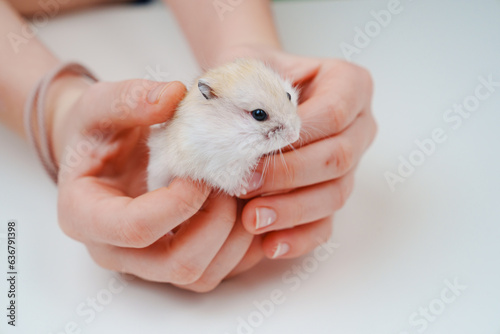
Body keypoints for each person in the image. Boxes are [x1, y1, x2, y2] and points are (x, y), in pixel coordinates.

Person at [0, 0, 376, 292]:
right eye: (260, 115)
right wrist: (58, 112)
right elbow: (214, 167)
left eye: (289, 101)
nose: (291, 129)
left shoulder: (250, 104)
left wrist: (245, 44)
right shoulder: (197, 127)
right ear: (209, 102)